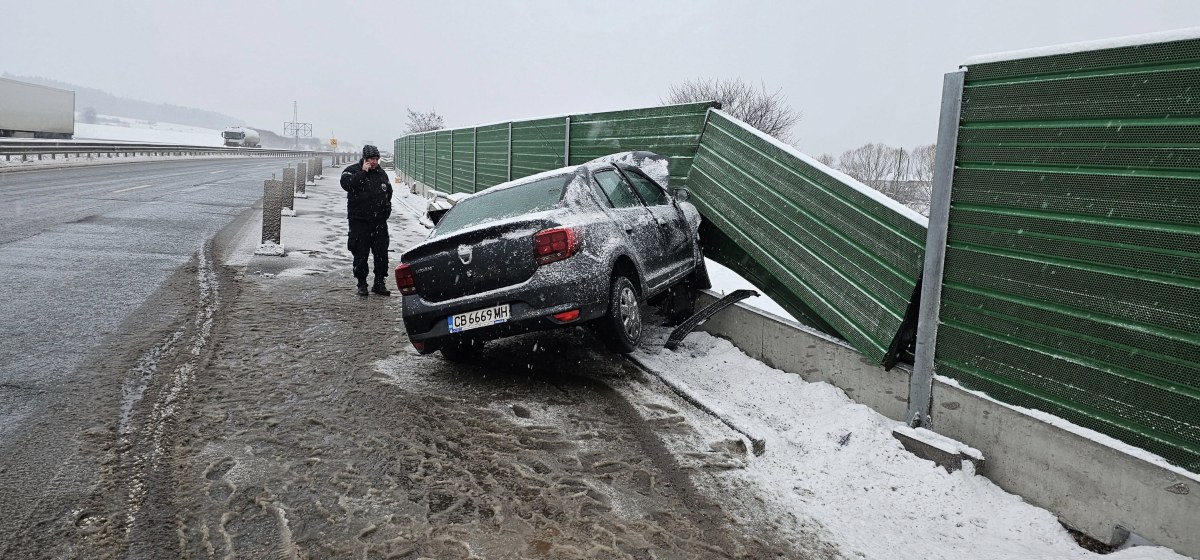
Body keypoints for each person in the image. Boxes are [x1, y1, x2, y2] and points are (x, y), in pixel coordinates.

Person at [340, 145, 393, 296]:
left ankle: (379, 282)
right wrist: (363, 172)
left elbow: (388, 193)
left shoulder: (381, 174)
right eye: (371, 159)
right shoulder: (352, 170)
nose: (374, 162)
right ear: (364, 158)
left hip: (379, 223)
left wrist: (386, 211)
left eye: (376, 159)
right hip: (359, 222)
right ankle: (361, 283)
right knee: (360, 253)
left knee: (381, 253)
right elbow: (347, 184)